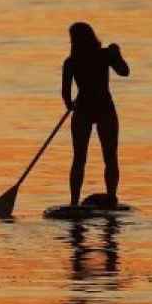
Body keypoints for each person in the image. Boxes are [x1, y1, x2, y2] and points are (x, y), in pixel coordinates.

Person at [62, 22, 129, 207]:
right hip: (101, 108)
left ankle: (75, 202)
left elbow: (66, 97)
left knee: (80, 158)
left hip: (89, 109)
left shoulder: (72, 62)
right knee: (108, 156)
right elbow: (124, 71)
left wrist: (70, 105)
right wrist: (116, 54)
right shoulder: (104, 55)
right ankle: (109, 196)